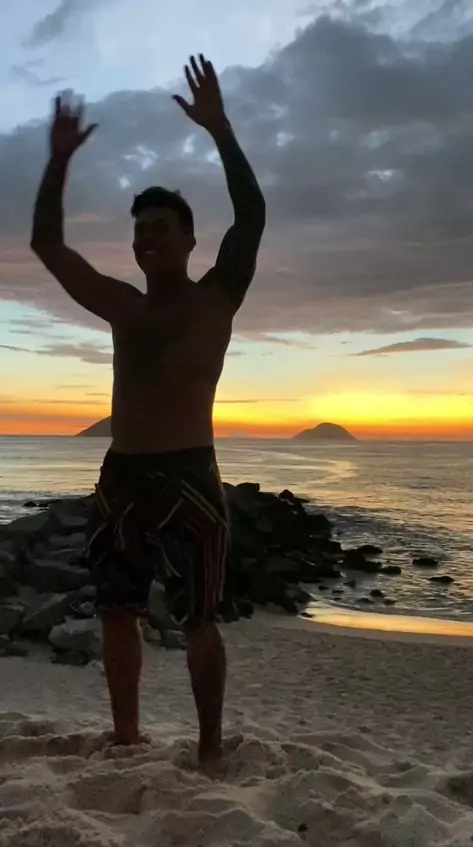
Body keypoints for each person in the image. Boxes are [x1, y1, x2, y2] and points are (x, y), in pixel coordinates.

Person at [30, 54, 266, 773]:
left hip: (191, 475)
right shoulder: (123, 308)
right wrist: (58, 161)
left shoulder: (217, 296)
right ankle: (126, 735)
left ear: (190, 239)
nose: (148, 239)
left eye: (162, 227)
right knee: (116, 608)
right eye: (140, 230)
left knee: (200, 618)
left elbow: (252, 215)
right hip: (123, 475)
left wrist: (220, 129)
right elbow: (48, 246)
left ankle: (208, 748)